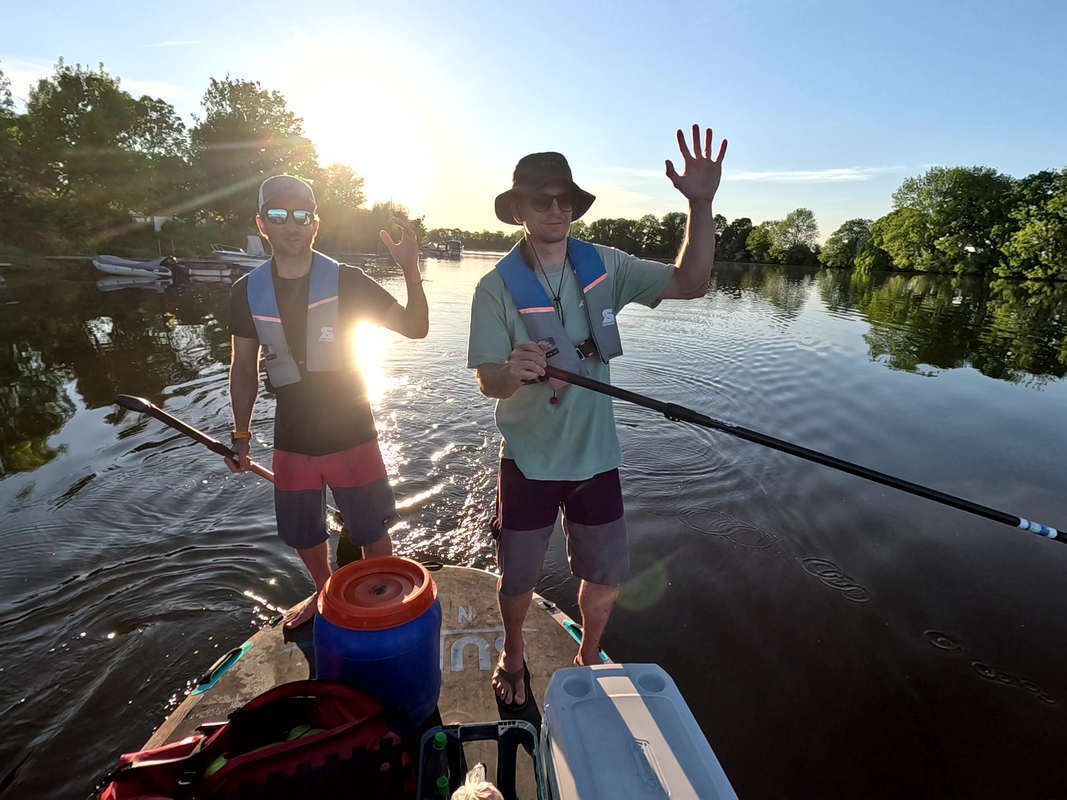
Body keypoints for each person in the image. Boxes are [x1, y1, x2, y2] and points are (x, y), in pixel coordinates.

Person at [466, 125, 727, 709]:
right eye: (542, 200)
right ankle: (514, 654)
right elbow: (488, 381)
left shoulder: (605, 264)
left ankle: (587, 657)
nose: (556, 210)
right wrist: (514, 367)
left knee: (606, 575)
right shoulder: (492, 288)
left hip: (597, 458)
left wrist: (701, 203)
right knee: (518, 579)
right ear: (519, 211)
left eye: (566, 199)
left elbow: (692, 281)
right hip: (528, 459)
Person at [228, 174, 428, 628]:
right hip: (292, 434)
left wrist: (409, 267)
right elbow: (242, 367)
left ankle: (384, 604)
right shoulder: (246, 291)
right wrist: (241, 434)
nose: (291, 225)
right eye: (278, 215)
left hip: (352, 430)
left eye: (301, 215)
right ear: (263, 224)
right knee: (303, 531)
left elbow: (415, 328)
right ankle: (323, 594)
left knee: (373, 530)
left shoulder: (348, 281)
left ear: (314, 223)